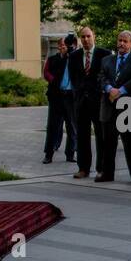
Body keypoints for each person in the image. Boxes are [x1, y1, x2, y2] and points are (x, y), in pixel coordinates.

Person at [97, 30, 131, 184]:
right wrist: (109, 89)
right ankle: (107, 174)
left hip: (128, 107)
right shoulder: (106, 60)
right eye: (120, 40)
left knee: (130, 144)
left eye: (125, 41)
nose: (121, 44)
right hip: (109, 106)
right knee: (108, 144)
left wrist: (121, 90)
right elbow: (101, 77)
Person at [67, 27, 110, 179]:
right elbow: (73, 78)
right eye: (83, 37)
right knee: (82, 136)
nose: (85, 39)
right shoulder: (74, 56)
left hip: (98, 102)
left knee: (100, 136)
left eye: (88, 36)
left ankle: (101, 168)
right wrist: (78, 93)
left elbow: (107, 75)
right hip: (81, 102)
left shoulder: (104, 54)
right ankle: (83, 168)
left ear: (94, 36)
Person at [42, 35, 76, 165]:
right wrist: (54, 81)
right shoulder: (53, 59)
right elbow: (46, 73)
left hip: (70, 96)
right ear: (58, 47)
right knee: (53, 126)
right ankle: (48, 154)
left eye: (66, 46)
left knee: (72, 126)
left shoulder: (74, 58)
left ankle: (71, 153)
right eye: (61, 46)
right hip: (56, 96)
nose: (63, 48)